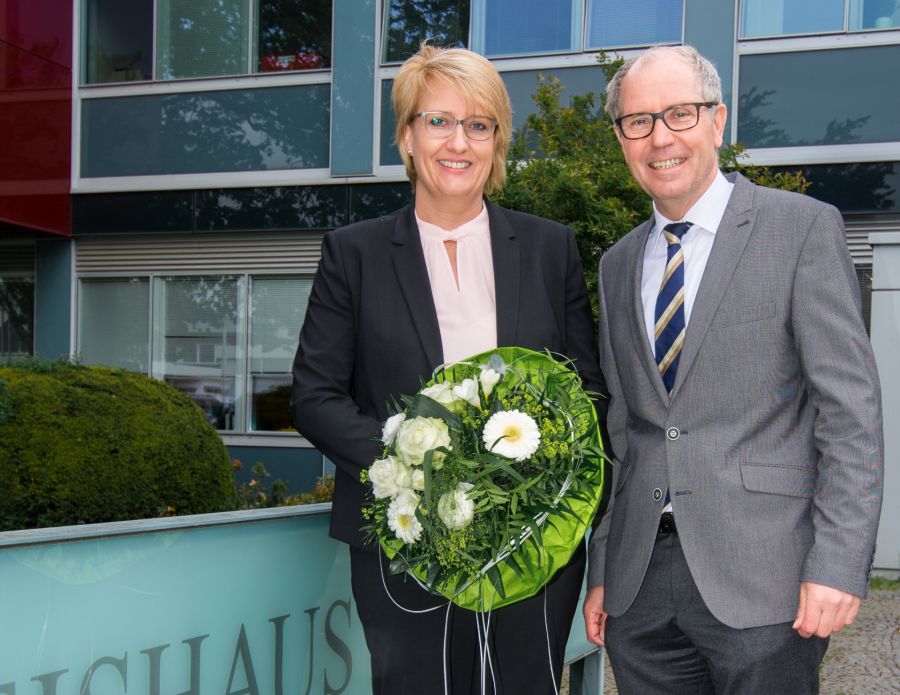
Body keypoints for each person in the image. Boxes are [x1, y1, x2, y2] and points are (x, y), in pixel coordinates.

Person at [291, 44, 605, 695]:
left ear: (497, 142)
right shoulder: (354, 254)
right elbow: (315, 396)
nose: (457, 141)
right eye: (438, 121)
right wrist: (412, 465)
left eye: (478, 124)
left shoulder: (550, 248)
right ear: (407, 135)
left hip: (532, 540)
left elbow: (588, 390)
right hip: (401, 541)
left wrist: (543, 475)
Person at [582, 45, 884, 694]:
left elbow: (851, 413)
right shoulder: (617, 264)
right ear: (620, 138)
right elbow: (623, 433)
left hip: (767, 578)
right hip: (640, 589)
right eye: (638, 121)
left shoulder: (801, 229)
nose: (660, 137)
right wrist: (604, 565)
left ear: (717, 121)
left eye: (679, 114)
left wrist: (838, 561)